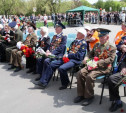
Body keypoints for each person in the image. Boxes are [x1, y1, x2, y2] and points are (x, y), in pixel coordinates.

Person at [74, 28, 116, 106]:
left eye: (102, 37)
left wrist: (97, 63)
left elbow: (110, 60)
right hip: (93, 64)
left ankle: (89, 96)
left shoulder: (111, 47)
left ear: (107, 37)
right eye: (99, 36)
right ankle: (81, 95)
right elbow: (90, 53)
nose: (100, 38)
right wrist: (86, 58)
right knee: (80, 73)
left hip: (104, 67)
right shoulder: (97, 45)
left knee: (90, 76)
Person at [33, 23, 67, 87]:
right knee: (38, 57)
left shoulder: (64, 36)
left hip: (56, 55)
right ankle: (41, 75)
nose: (55, 28)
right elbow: (50, 45)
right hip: (49, 53)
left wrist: (51, 53)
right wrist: (48, 50)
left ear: (60, 28)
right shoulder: (54, 36)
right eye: (55, 27)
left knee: (47, 61)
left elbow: (61, 48)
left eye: (57, 27)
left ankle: (44, 82)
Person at [107, 36, 126, 112]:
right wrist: (122, 46)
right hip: (122, 68)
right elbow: (117, 46)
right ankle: (117, 101)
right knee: (111, 79)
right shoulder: (124, 37)